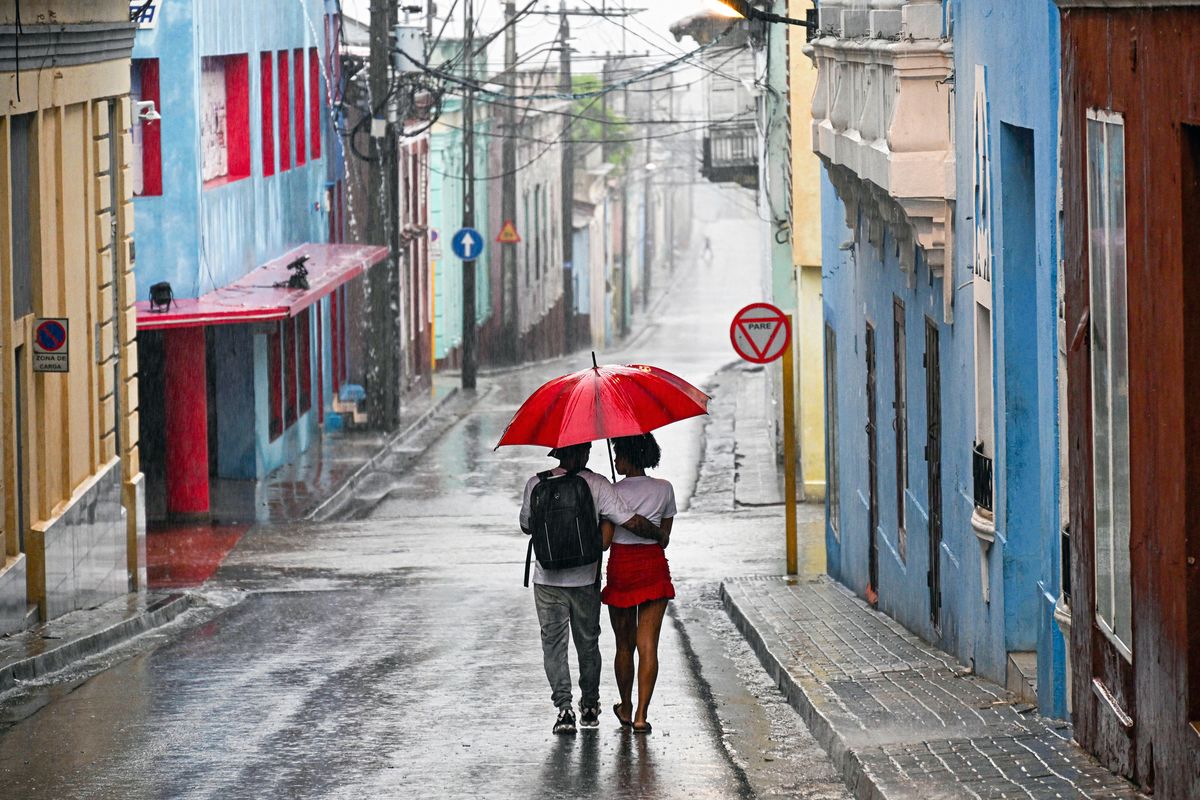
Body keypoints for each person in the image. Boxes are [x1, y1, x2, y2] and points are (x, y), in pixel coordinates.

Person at [519, 441, 665, 735]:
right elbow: (629, 520)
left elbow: (526, 525)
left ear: (556, 453)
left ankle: (564, 710)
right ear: (584, 452)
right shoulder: (596, 483)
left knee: (554, 646)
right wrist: (659, 534)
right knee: (587, 643)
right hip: (585, 578)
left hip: (546, 579)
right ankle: (589, 705)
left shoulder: (536, 483)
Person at [601, 433, 676, 734]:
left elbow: (605, 542)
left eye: (619, 454)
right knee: (648, 646)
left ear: (630, 457)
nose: (616, 459)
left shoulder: (612, 492)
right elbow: (664, 538)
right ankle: (642, 715)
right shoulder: (664, 489)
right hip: (653, 568)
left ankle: (626, 705)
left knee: (623, 645)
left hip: (622, 567)